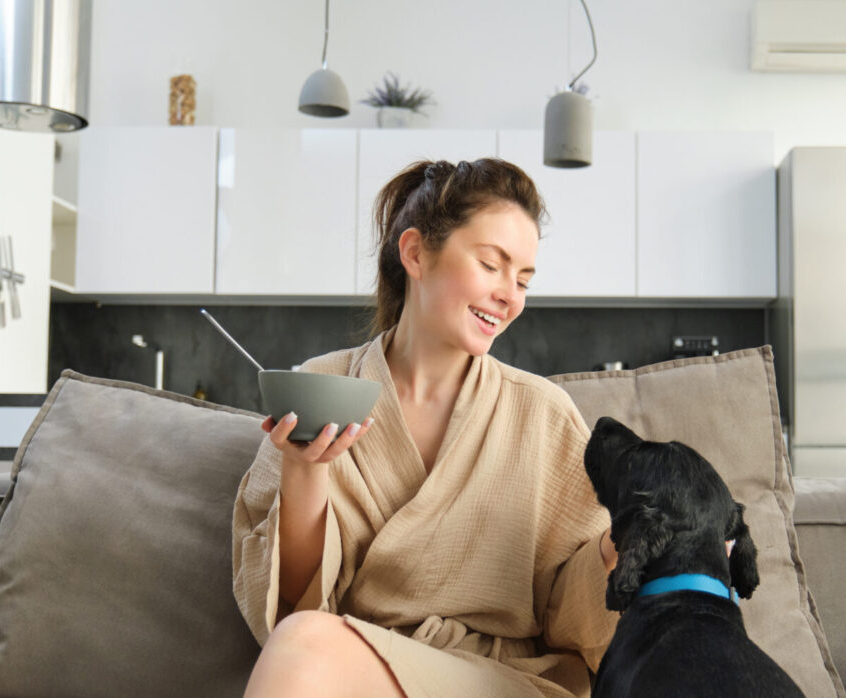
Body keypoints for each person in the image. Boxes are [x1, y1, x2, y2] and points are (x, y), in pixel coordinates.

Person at [232, 158, 621, 698]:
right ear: (415, 252)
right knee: (303, 640)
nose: (510, 296)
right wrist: (304, 472)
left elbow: (572, 616)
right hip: (354, 670)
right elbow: (287, 607)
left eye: (524, 279)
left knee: (305, 646)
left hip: (503, 683)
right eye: (491, 264)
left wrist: (620, 546)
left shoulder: (543, 413)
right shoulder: (321, 388)